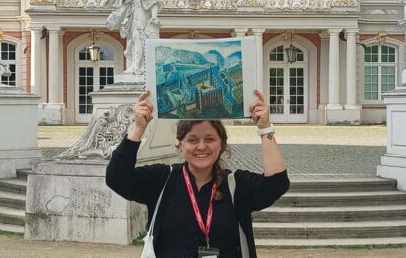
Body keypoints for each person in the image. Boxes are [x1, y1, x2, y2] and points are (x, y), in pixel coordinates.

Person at [106, 90, 289, 258]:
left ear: (221, 144)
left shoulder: (237, 185)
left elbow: (276, 184)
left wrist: (265, 128)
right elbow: (117, 178)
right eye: (192, 140)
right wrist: (139, 127)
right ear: (180, 145)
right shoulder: (162, 179)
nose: (201, 147)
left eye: (209, 139)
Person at [105, 0, 161, 76]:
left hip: (140, 10)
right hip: (129, 11)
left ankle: (137, 66)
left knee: (137, 36)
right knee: (130, 39)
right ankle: (133, 65)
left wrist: (154, 16)